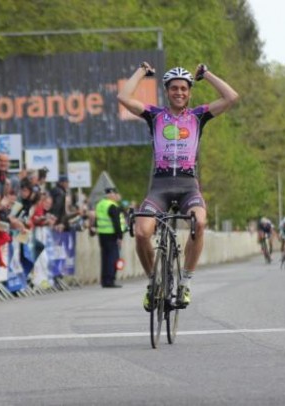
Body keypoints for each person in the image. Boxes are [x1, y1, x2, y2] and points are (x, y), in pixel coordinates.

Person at [117, 61, 238, 310]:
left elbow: (231, 97)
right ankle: (153, 283)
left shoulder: (198, 116)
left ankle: (184, 282)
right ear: (167, 91)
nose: (179, 93)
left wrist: (207, 74)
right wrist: (141, 71)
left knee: (200, 222)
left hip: (188, 187)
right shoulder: (154, 115)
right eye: (174, 88)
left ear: (190, 92)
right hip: (159, 187)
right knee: (141, 232)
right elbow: (124, 96)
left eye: (184, 88)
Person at [95, 187, 124, 288]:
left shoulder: (100, 204)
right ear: (111, 195)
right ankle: (110, 280)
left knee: (105, 257)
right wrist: (120, 236)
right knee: (113, 258)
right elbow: (116, 223)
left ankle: (104, 280)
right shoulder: (112, 205)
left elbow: (96, 219)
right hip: (112, 235)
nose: (117, 197)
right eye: (115, 194)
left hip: (102, 234)